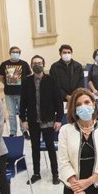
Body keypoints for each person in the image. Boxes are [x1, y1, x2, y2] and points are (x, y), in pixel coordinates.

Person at [20, 55, 64, 185]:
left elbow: (58, 101)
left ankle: (55, 174)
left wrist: (58, 119)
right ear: (31, 65)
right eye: (34, 63)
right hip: (33, 120)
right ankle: (36, 173)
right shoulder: (26, 81)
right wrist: (23, 119)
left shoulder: (51, 80)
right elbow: (23, 102)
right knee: (35, 147)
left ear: (43, 64)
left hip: (48, 119)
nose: (37, 65)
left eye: (39, 63)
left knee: (50, 147)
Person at [0, 47, 31, 135]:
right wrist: (7, 84)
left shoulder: (24, 64)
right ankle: (13, 132)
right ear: (10, 53)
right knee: (11, 114)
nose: (15, 53)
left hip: (22, 93)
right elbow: (1, 78)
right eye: (13, 52)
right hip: (9, 93)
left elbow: (29, 76)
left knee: (22, 112)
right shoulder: (4, 64)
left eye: (17, 52)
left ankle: (24, 131)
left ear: (19, 53)